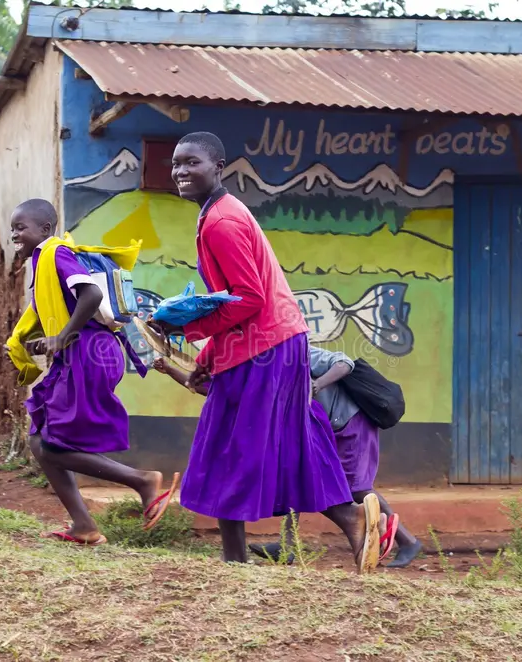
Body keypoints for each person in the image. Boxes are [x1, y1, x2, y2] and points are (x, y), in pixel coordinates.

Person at [147, 132, 385, 573]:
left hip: (265, 347)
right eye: (176, 164)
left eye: (191, 163)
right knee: (288, 445)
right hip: (273, 342)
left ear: (218, 166)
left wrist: (186, 327)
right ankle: (351, 525)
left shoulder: (222, 222)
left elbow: (248, 299)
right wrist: (206, 359)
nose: (180, 171)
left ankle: (240, 558)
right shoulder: (218, 214)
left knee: (227, 447)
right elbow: (231, 301)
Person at [5, 198, 179, 546]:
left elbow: (91, 294)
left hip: (89, 354)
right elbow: (69, 311)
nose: (15, 236)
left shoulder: (54, 251)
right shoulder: (43, 261)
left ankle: (142, 481)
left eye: (20, 228)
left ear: (44, 229)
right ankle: (83, 525)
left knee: (50, 444)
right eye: (12, 230)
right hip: (82, 353)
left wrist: (64, 336)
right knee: (40, 440)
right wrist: (48, 342)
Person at [152, 350, 418, 567]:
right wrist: (170, 370)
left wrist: (316, 384)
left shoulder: (294, 352)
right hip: (316, 422)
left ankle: (406, 540)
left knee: (355, 487)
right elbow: (216, 392)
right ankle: (289, 545)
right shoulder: (246, 361)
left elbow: (344, 362)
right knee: (298, 474)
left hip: (348, 421)